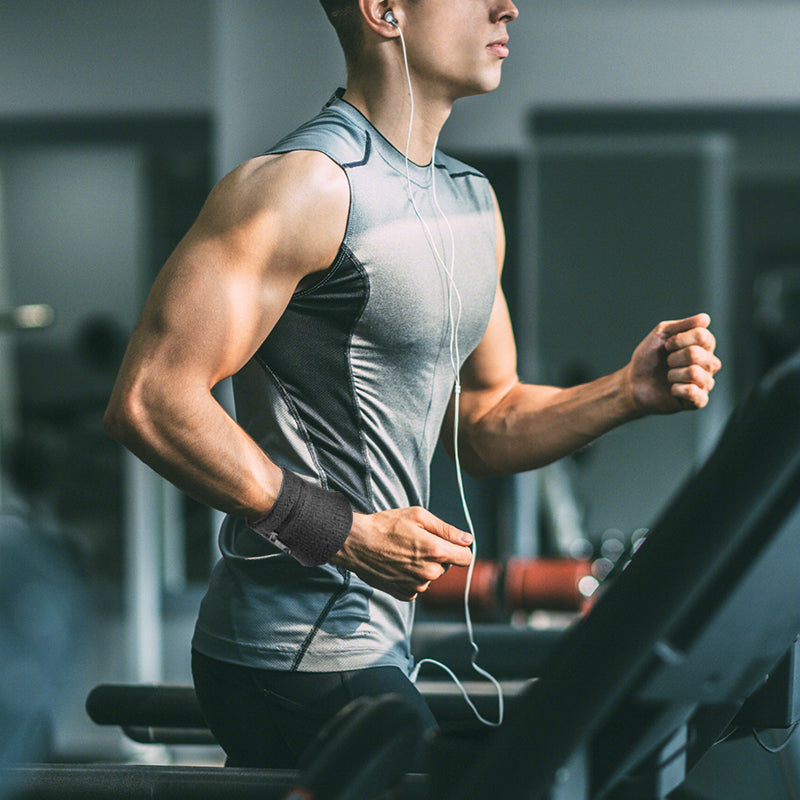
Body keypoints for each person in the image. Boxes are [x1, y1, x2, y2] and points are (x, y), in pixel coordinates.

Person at [104, 0, 722, 771]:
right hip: (290, 653)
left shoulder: (469, 201)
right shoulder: (303, 188)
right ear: (384, 10)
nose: (509, 6)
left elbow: (487, 419)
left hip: (380, 644)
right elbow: (152, 399)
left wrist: (624, 393)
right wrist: (348, 534)